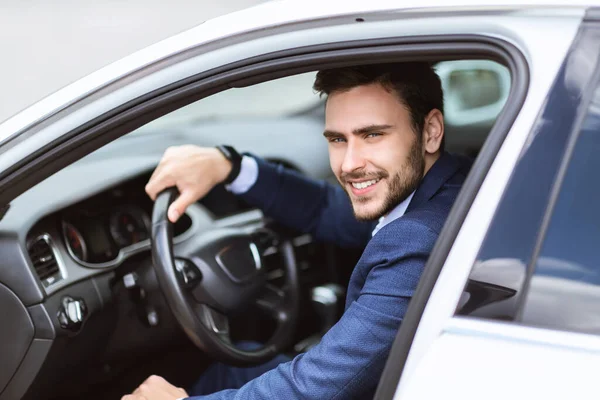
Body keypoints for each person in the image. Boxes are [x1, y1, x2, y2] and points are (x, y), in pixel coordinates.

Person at [123, 62, 471, 400]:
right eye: (337, 139)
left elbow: (314, 389)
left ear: (430, 131)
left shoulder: (418, 239)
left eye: (373, 135)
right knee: (236, 364)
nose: (349, 164)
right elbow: (324, 209)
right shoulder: (444, 185)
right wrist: (231, 167)